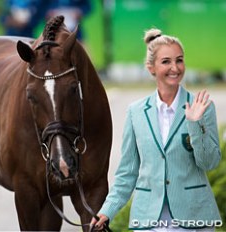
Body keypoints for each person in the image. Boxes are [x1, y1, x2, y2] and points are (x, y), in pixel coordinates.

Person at [91, 28, 222, 231]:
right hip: (148, 220)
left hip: (194, 218)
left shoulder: (202, 106)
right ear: (151, 68)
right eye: (166, 61)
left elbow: (210, 163)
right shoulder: (136, 112)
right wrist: (106, 211)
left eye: (179, 60)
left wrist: (195, 124)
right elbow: (127, 172)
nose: (175, 68)